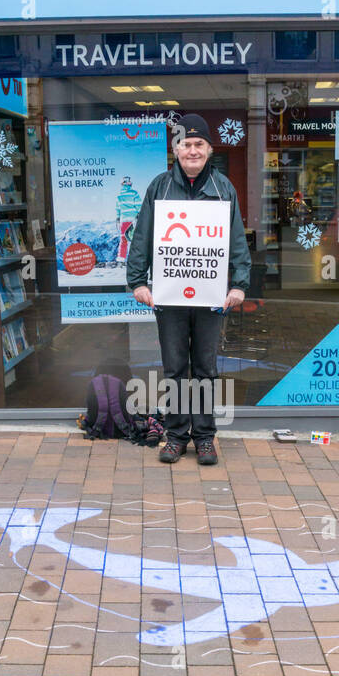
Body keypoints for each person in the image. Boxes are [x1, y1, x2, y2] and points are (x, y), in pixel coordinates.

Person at [126, 113, 251, 465]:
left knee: (207, 368)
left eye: (199, 144)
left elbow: (237, 240)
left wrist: (239, 284)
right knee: (176, 367)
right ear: (176, 149)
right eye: (185, 144)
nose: (192, 150)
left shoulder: (224, 188)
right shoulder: (159, 187)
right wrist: (137, 281)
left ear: (210, 149)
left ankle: (206, 437)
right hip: (169, 295)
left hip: (212, 296)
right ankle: (178, 436)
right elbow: (143, 236)